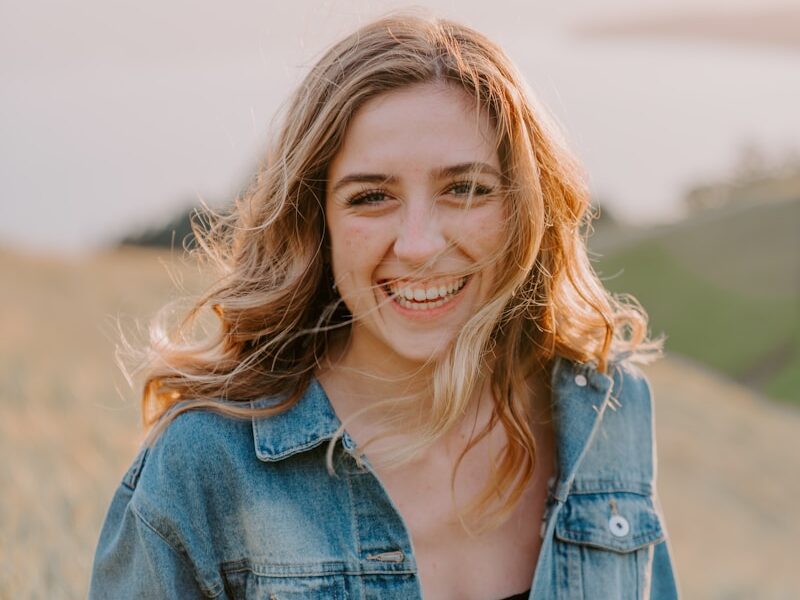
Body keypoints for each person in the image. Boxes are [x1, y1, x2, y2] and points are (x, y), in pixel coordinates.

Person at [89, 13, 679, 600]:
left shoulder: (605, 414)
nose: (419, 244)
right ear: (316, 221)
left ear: (522, 208)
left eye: (464, 189)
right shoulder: (205, 468)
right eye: (371, 197)